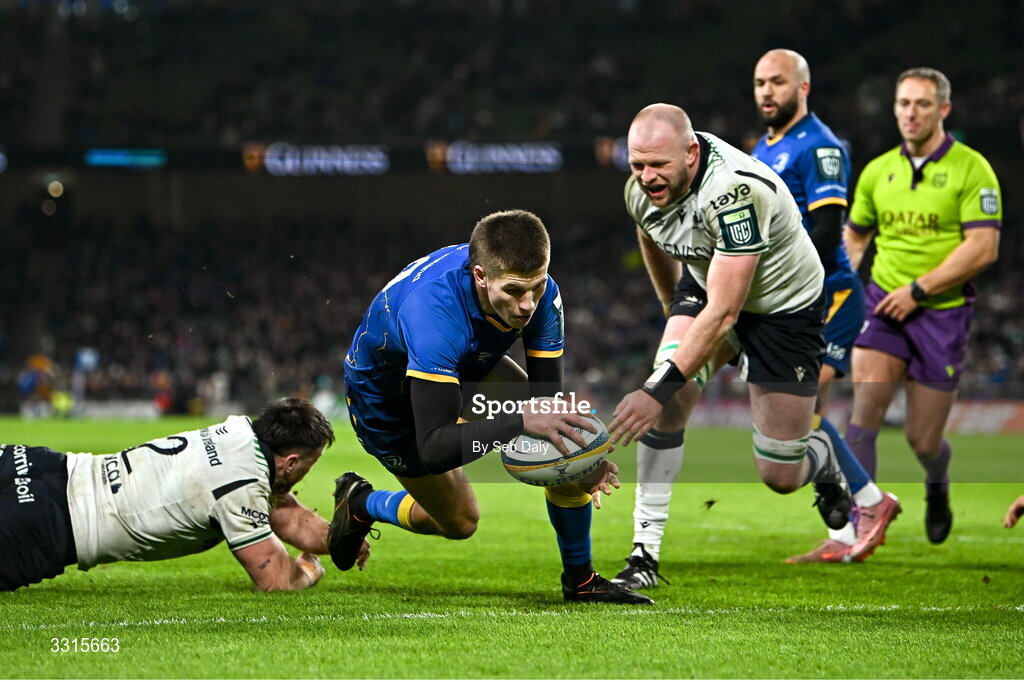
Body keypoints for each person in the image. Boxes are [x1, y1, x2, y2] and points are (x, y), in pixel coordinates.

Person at [330, 209, 652, 604]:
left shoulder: (542, 294)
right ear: (480, 276)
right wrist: (519, 421)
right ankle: (361, 503)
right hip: (386, 396)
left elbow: (546, 403)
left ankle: (581, 581)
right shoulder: (434, 314)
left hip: (466, 361)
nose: (527, 304)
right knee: (460, 521)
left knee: (563, 428)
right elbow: (434, 448)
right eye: (515, 291)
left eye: (536, 286)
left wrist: (582, 461)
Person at [607, 103, 856, 590]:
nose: (647, 177)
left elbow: (724, 316)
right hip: (707, 282)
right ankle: (644, 555)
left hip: (784, 307)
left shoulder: (734, 191)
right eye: (638, 165)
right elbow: (650, 231)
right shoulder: (640, 189)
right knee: (669, 403)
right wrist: (668, 304)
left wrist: (652, 389)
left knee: (780, 475)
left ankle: (823, 459)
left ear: (692, 154)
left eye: (659, 165)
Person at [749, 49, 900, 564]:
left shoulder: (821, 147)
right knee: (804, 417)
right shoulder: (762, 149)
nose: (767, 91)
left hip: (827, 295)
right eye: (760, 83)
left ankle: (871, 505)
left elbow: (826, 229)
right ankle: (847, 525)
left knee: (808, 414)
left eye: (777, 82)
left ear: (803, 87)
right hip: (788, 301)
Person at [844, 68, 1001, 544]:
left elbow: (983, 247)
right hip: (882, 306)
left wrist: (919, 290)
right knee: (863, 415)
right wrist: (842, 286)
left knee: (923, 440)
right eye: (903, 103)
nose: (911, 113)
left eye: (922, 104)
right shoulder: (877, 171)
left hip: (942, 313)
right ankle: (860, 528)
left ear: (943, 110)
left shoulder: (973, 169)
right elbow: (855, 235)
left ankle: (937, 482)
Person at [0, 397, 362, 592]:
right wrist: (309, 568)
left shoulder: (239, 433)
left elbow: (287, 515)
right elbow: (277, 580)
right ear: (292, 461)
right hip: (50, 523)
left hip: (40, 464)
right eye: (309, 464)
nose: (305, 473)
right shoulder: (241, 486)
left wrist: (341, 540)